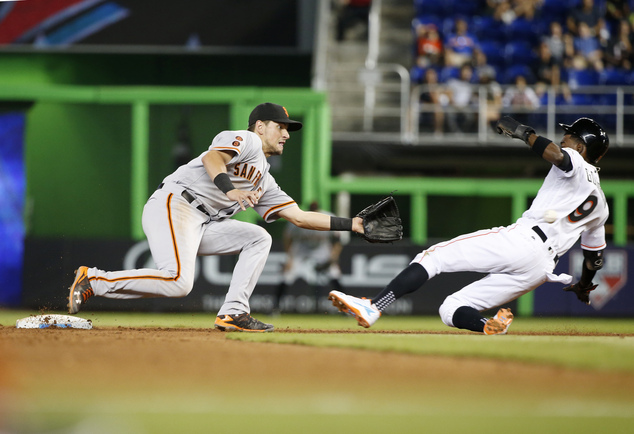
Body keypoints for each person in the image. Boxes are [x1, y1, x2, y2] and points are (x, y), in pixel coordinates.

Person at [67, 102, 365, 332]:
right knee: (178, 283)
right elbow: (213, 158)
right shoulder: (246, 139)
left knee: (259, 237)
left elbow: (299, 217)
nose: (286, 133)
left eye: (288, 129)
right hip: (176, 204)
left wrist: (351, 224)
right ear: (260, 126)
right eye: (281, 126)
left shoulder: (265, 180)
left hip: (202, 221)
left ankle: (234, 311)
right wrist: (230, 189)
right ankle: (93, 279)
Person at [330, 116, 609, 335]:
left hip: (524, 241)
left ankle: (374, 307)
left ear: (581, 147)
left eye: (568, 137)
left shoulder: (576, 161)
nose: (563, 139)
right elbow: (593, 257)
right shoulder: (602, 205)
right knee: (451, 308)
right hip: (540, 269)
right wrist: (583, 286)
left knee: (434, 257)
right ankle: (488, 324)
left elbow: (557, 155)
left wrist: (525, 133)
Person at [274, 200, 344, 314]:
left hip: (321, 251)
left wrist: (333, 257)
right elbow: (287, 237)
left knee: (334, 274)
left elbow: (337, 240)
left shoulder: (327, 217)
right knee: (286, 276)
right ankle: (275, 309)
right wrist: (289, 258)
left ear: (318, 210)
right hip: (301, 251)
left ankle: (346, 309)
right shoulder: (299, 217)